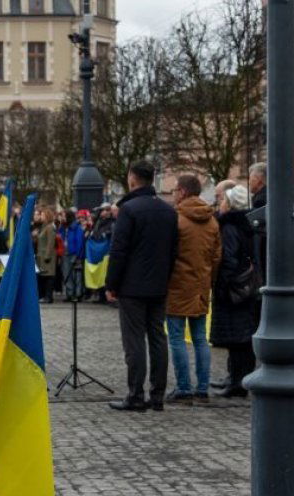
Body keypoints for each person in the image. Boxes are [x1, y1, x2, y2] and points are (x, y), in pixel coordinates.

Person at [105, 161, 179, 412]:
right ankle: (157, 396)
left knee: (134, 341)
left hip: (132, 287)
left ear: (132, 179)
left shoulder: (129, 210)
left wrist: (111, 283)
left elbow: (119, 251)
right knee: (158, 338)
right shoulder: (168, 211)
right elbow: (173, 250)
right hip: (158, 285)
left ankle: (135, 395)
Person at [165, 175, 221, 403]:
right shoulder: (212, 221)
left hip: (177, 286)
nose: (174, 195)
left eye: (175, 190)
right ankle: (203, 387)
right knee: (200, 338)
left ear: (183, 192)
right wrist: (208, 279)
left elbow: (168, 254)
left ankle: (184, 387)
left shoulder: (176, 220)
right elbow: (217, 257)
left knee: (177, 338)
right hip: (201, 285)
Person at [210, 184, 259, 398]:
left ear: (230, 204)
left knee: (237, 338)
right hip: (246, 286)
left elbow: (228, 258)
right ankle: (237, 378)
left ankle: (237, 382)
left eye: (223, 200)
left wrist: (223, 284)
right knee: (243, 337)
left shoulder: (229, 227)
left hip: (234, 289)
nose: (220, 204)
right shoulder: (249, 224)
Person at [59, 209, 85, 301]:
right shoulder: (63, 227)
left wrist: (78, 256)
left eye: (63, 216)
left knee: (76, 275)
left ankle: (77, 294)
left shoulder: (76, 228)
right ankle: (69, 294)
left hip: (74, 254)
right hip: (65, 253)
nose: (62, 218)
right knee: (67, 274)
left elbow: (79, 242)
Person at [35, 208, 57, 304]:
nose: (41, 216)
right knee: (44, 277)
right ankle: (44, 296)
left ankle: (48, 297)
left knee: (48, 277)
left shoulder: (50, 227)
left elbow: (50, 242)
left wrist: (47, 255)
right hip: (41, 255)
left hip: (47, 256)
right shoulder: (44, 226)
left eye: (43, 215)